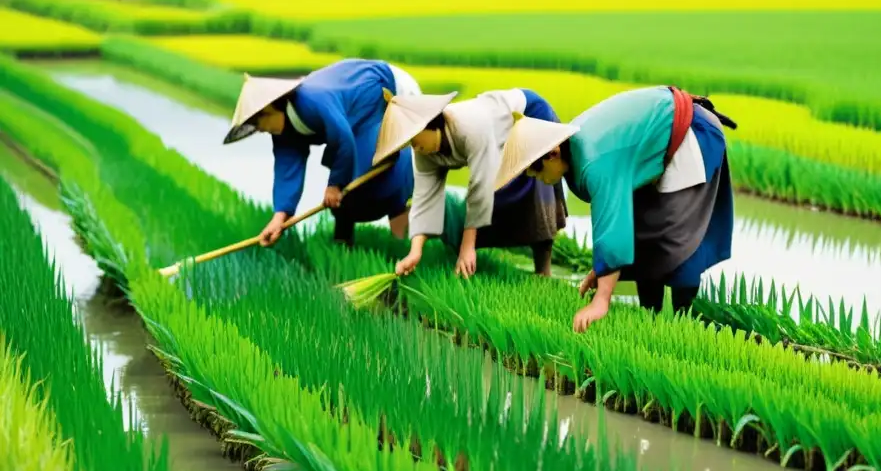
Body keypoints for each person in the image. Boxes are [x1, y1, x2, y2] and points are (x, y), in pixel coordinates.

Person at [494, 86, 736, 333]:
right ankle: (649, 323)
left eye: (535, 170)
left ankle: (686, 326)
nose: (536, 178)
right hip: (663, 145)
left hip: (692, 135)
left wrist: (602, 299)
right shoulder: (576, 150)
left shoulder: (593, 161)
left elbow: (612, 228)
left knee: (677, 243)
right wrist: (601, 269)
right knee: (646, 235)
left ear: (553, 154)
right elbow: (620, 219)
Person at [223, 58, 422, 247]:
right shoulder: (282, 133)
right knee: (345, 184)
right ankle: (343, 243)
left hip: (387, 90)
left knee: (373, 174)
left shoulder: (312, 99)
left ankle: (400, 243)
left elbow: (342, 137)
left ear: (272, 107)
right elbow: (287, 171)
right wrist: (280, 216)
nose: (261, 129)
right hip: (352, 119)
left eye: (260, 122)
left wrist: (335, 184)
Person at [375, 88, 568, 278]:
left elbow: (481, 184)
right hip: (497, 144)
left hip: (530, 117)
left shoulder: (469, 127)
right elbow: (424, 196)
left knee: (533, 197)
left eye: (414, 140)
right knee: (488, 210)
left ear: (429, 124)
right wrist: (415, 252)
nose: (415, 147)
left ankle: (543, 272)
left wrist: (468, 247)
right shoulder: (424, 152)